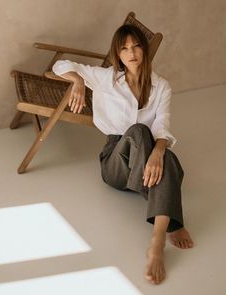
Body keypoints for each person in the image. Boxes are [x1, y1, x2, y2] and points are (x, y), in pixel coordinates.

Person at [52, 24, 194, 285]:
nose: (131, 53)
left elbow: (162, 125)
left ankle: (158, 239)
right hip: (115, 162)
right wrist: (78, 80)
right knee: (140, 131)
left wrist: (158, 152)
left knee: (168, 156)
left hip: (147, 152)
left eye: (136, 45)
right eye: (124, 48)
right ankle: (170, 213)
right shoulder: (106, 78)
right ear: (117, 54)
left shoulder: (161, 86)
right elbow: (60, 65)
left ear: (145, 50)